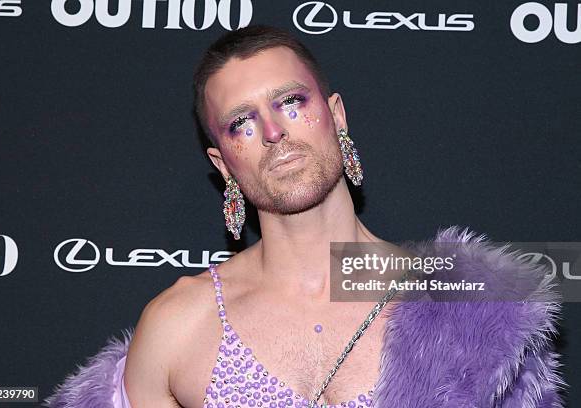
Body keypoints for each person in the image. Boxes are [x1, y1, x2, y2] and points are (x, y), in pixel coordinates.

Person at [44, 25, 566, 408]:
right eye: (241, 123)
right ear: (222, 162)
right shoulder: (179, 326)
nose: (274, 132)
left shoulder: (470, 312)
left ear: (336, 115)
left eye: (291, 102)